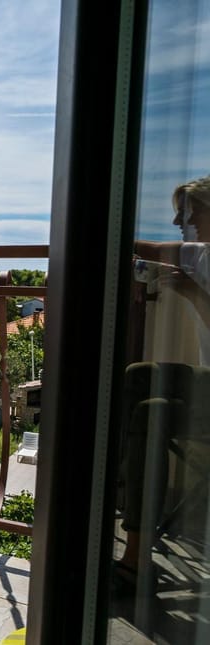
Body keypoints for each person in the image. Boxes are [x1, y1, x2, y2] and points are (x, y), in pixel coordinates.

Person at [116, 175, 210, 589]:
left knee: (151, 414)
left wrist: (195, 296)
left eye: (188, 213)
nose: (177, 222)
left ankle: (135, 559)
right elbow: (150, 249)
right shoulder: (201, 255)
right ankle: (113, 494)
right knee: (137, 376)